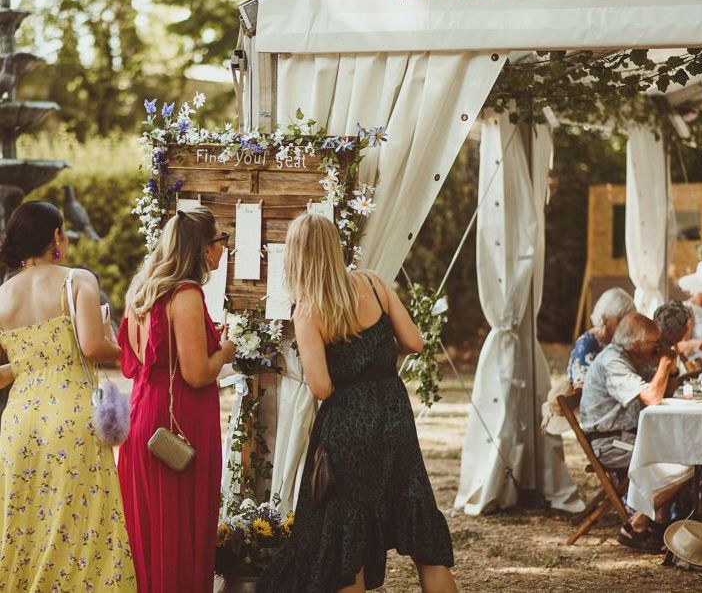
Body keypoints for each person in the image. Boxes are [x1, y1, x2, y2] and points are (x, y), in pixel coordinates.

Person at [257, 213, 455, 593]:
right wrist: (376, 359)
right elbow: (414, 343)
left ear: (296, 257)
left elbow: (322, 388)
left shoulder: (309, 311)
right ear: (336, 247)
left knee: (347, 536)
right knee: (420, 523)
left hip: (348, 422)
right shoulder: (374, 285)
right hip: (393, 412)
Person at [0, 201, 136, 589]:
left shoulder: (3, 295)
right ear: (56, 236)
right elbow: (92, 347)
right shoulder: (76, 279)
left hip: (19, 425)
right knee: (84, 528)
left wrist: (26, 366)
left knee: (25, 525)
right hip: (70, 419)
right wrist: (120, 346)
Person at [117, 207, 236, 593]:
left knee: (151, 530)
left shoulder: (142, 289)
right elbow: (197, 373)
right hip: (178, 420)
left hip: (144, 415)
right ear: (203, 248)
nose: (224, 248)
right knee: (180, 525)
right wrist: (227, 350)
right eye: (222, 240)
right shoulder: (185, 293)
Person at [580, 312, 686, 552]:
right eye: (654, 343)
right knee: (682, 460)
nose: (658, 347)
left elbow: (664, 394)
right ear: (636, 343)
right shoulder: (613, 361)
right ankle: (636, 525)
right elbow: (652, 397)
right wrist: (665, 363)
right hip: (610, 442)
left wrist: (671, 370)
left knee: (684, 450)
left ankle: (657, 524)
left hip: (629, 435)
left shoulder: (635, 358)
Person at [567, 287, 636, 387]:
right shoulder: (586, 344)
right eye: (621, 321)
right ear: (605, 319)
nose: (626, 327)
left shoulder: (617, 342)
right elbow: (582, 390)